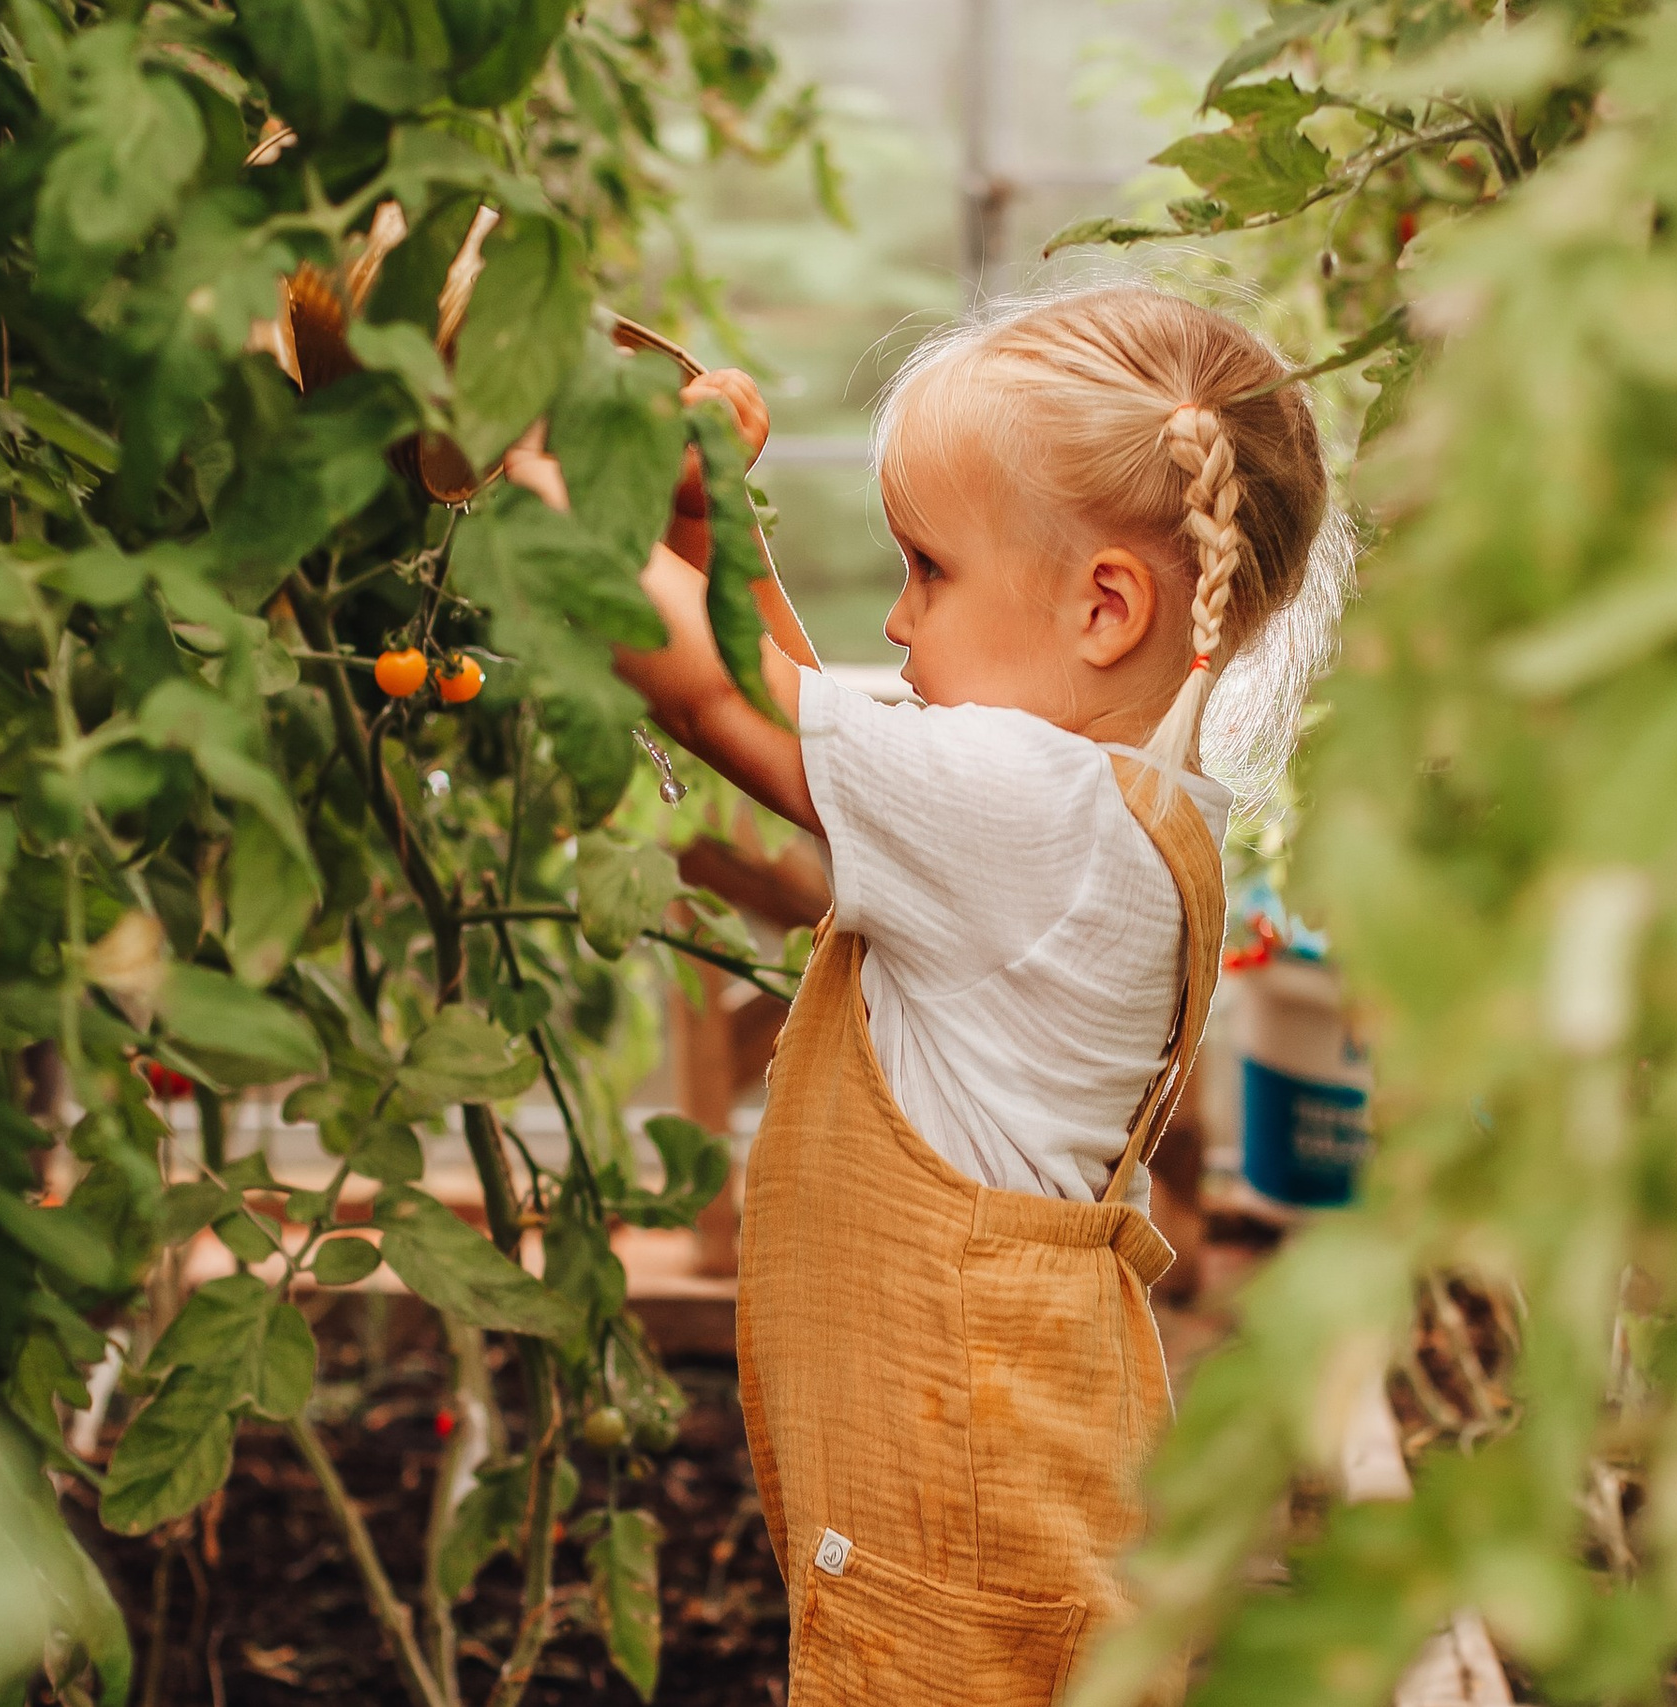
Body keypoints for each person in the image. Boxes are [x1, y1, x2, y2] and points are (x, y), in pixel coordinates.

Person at [509, 284, 1343, 1705]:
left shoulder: (1021, 814)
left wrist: (522, 457)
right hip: (1011, 1460)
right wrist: (707, 541)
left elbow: (722, 701)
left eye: (928, 571)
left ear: (1103, 607)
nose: (895, 619)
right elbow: (799, 692)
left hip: (961, 1495)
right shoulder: (1098, 804)